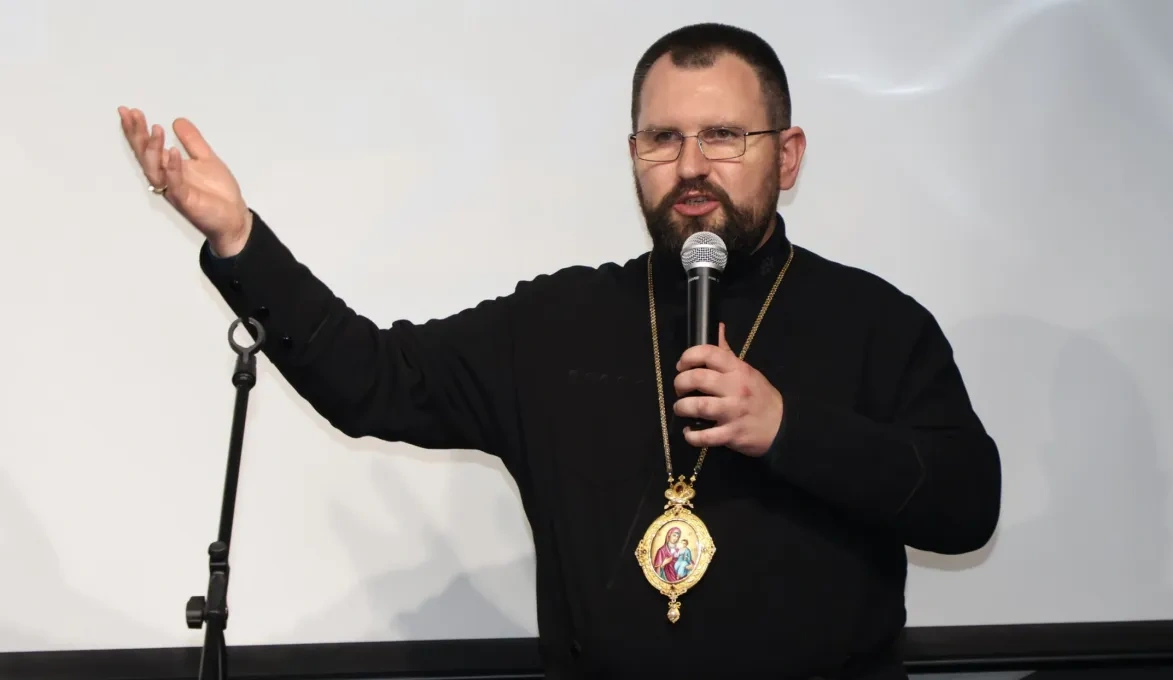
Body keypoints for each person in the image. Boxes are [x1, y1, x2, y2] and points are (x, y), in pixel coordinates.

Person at [117, 21, 1001, 680]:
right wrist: (240, 239)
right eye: (663, 139)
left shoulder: (878, 323)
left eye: (725, 137)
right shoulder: (559, 322)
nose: (691, 165)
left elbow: (966, 504)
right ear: (633, 157)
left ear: (789, 155)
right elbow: (374, 382)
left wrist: (787, 428)